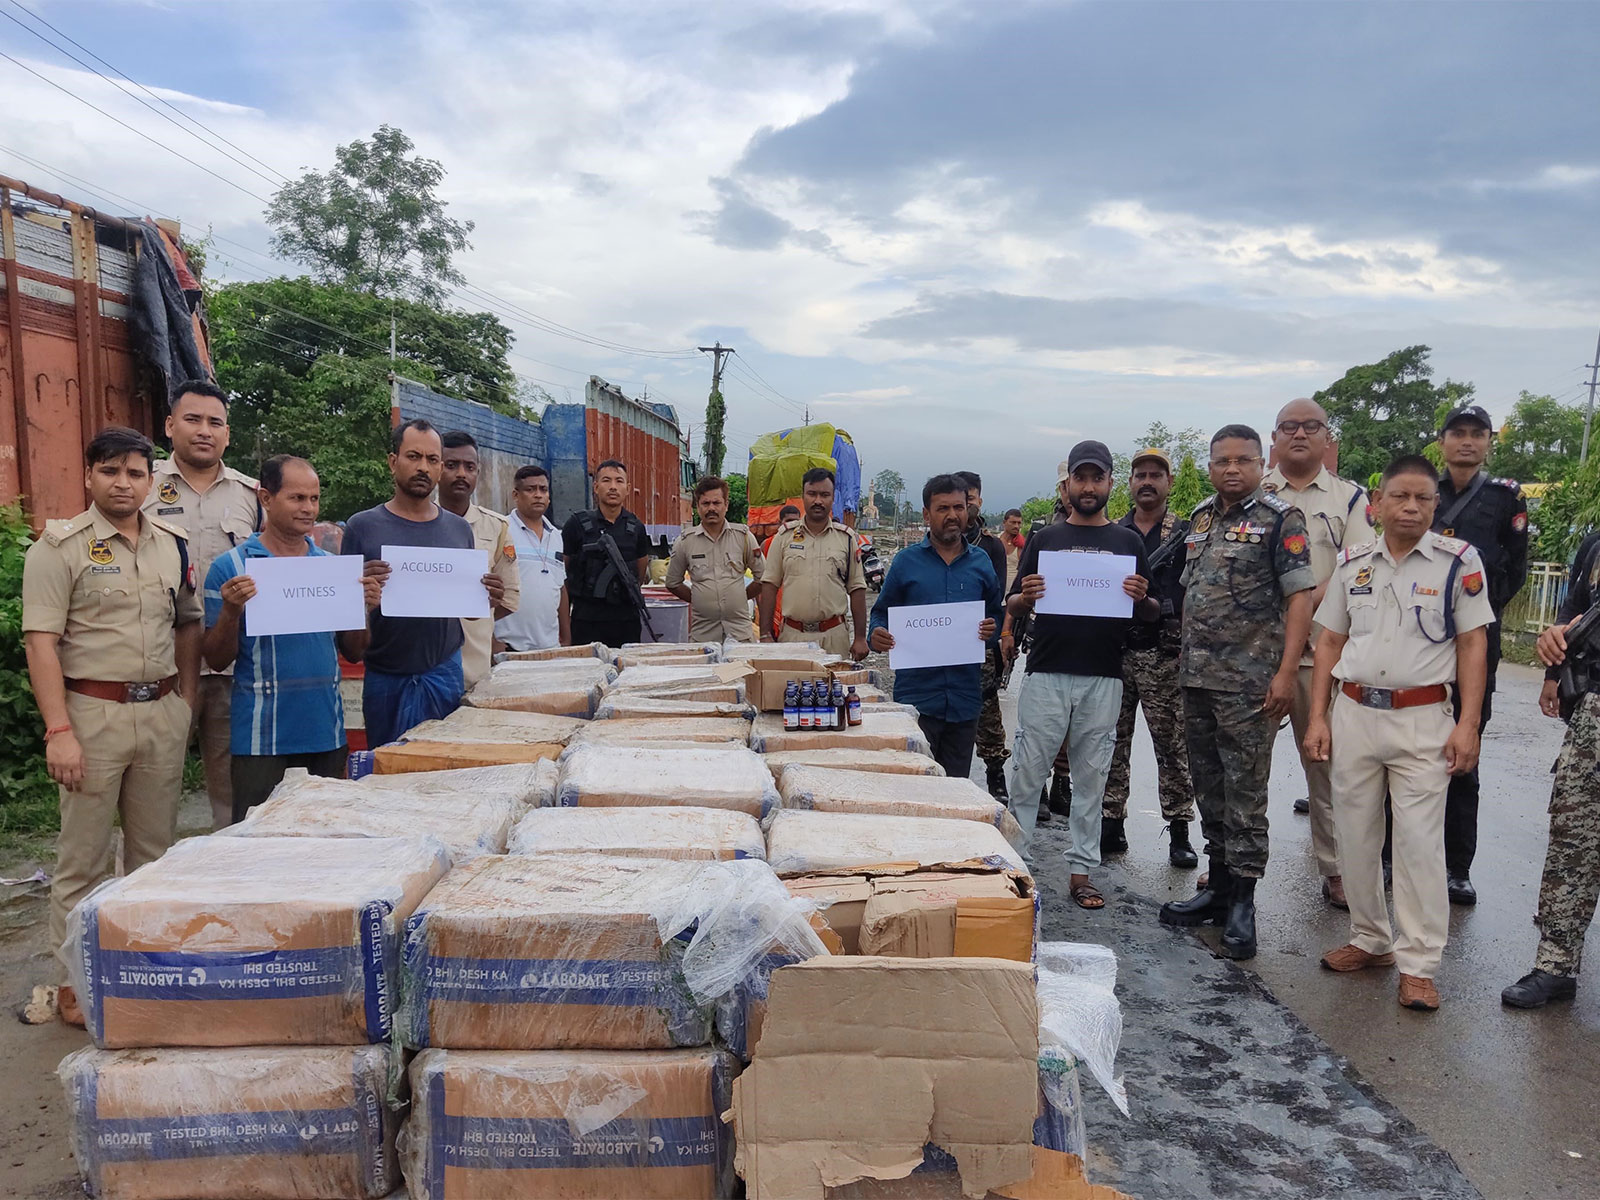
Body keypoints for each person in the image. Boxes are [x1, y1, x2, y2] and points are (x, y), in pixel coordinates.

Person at [22, 426, 202, 1027]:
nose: (123, 483)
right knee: (85, 859)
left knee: (155, 856)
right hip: (90, 716)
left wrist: (186, 701)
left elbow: (188, 623)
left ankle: (142, 968)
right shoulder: (59, 548)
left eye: (134, 473)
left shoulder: (172, 545)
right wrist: (59, 731)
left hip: (161, 712)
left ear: (151, 480)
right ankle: (74, 981)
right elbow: (41, 644)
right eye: (110, 471)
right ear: (89, 476)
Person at [1304, 455, 1491, 1012]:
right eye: (1400, 497)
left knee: (1418, 844)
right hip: (1355, 713)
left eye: (1423, 499)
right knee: (1355, 834)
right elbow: (1330, 640)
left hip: (1423, 718)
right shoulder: (1353, 563)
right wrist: (1318, 716)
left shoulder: (1458, 562)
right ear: (1378, 503)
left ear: (1435, 504)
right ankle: (1371, 939)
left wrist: (1468, 725)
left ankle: (1419, 964)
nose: (1411, 507)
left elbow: (1473, 644)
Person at [1159, 424, 1314, 960]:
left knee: (1246, 794)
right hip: (1197, 679)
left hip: (1250, 684)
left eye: (1242, 460)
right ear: (1210, 466)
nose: (1231, 469)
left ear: (1260, 463)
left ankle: (1244, 902)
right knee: (1209, 787)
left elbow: (1300, 598)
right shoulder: (1201, 518)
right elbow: (1192, 593)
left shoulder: (1280, 520)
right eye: (1221, 460)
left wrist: (1287, 672)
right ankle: (1219, 888)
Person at [1006, 441, 1156, 908]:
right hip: (1047, 671)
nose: (1088, 487)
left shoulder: (1128, 543)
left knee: (1092, 779)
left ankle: (1081, 872)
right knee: (1028, 773)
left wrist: (1141, 597)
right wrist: (1026, 597)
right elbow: (1013, 603)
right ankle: (1015, 868)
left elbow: (1151, 613)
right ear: (1067, 484)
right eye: (1080, 478)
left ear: (1110, 483)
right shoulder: (1045, 540)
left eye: (1097, 478)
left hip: (1103, 676)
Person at [203, 456, 386, 819]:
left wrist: (363, 608)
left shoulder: (331, 569)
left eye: (314, 499)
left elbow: (354, 652)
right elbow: (216, 660)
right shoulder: (231, 568)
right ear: (266, 498)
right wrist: (231, 612)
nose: (308, 508)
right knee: (259, 837)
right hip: (261, 739)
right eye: (297, 498)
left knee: (322, 836)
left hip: (325, 732)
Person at [1263, 398, 1375, 909]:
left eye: (1312, 426)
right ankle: (1232, 867)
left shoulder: (1349, 500)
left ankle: (1336, 869)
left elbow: (1359, 566)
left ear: (1327, 437)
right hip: (1258, 655)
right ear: (1275, 438)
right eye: (1289, 426)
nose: (1300, 434)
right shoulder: (1256, 494)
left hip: (1321, 656)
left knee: (1326, 767)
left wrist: (1303, 604)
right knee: (1246, 768)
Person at [339, 420, 503, 747]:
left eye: (432, 459)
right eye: (413, 457)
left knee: (445, 767)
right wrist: (361, 600)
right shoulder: (362, 527)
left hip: (444, 673)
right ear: (392, 461)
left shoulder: (458, 530)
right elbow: (350, 641)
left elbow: (468, 612)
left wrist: (486, 597)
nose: (423, 468)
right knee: (387, 768)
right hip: (386, 678)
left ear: (440, 467)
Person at [143, 379, 260, 829]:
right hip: (161, 664)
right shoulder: (143, 484)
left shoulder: (251, 496)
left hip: (230, 666)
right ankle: (142, 869)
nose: (204, 431)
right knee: (152, 790)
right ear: (170, 425)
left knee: (232, 794)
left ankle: (226, 868)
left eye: (215, 422)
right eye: (192, 419)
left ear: (228, 433)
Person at [1431, 403, 1529, 907]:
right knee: (1401, 744)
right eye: (1458, 433)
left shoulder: (1504, 497)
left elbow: (1516, 570)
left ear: (1489, 441)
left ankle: (1456, 867)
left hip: (1477, 640)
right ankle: (1390, 855)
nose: (1467, 441)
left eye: (1477, 433)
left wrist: (1476, 616)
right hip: (1421, 637)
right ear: (1442, 441)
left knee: (1464, 748)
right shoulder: (1424, 491)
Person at [1501, 534, 1600, 1009]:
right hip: (1593, 715)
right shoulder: (1596, 545)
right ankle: (1555, 966)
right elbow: (1573, 610)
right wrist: (1553, 654)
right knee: (1573, 842)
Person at [868, 475, 1003, 779]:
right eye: (943, 508)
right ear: (927, 515)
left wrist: (990, 631)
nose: (952, 515)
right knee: (914, 786)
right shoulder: (905, 562)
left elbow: (995, 616)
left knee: (954, 788)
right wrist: (877, 635)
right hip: (917, 701)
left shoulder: (981, 563)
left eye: (959, 507)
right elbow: (881, 614)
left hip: (964, 701)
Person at [1102, 448, 1198, 867]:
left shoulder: (1187, 533)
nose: (1147, 481)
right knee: (1111, 742)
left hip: (1165, 654)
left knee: (1172, 746)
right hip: (1117, 651)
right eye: (1140, 474)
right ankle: (1110, 823)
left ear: (1169, 482)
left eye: (1155, 475)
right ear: (1129, 483)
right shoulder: (1113, 533)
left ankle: (1179, 830)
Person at [437, 432, 520, 690]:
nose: (461, 474)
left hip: (474, 672)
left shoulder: (496, 527)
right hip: (426, 671)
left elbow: (508, 598)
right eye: (452, 465)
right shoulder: (414, 524)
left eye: (469, 467)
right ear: (437, 467)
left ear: (478, 472)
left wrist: (483, 610)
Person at [759, 468, 869, 660]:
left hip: (834, 637)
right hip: (793, 636)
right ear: (803, 496)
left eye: (825, 495)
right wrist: (765, 634)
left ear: (833, 498)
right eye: (812, 494)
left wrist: (860, 637)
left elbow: (857, 588)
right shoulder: (784, 537)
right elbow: (769, 585)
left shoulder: (847, 538)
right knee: (794, 680)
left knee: (835, 680)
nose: (818, 500)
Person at [956, 471, 1011, 798]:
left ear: (979, 501)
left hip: (979, 644)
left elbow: (997, 598)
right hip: (942, 645)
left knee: (987, 710)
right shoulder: (932, 546)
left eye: (971, 498)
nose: (966, 505)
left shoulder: (991, 546)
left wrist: (998, 635)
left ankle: (995, 773)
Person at [561, 459, 651, 647]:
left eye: (619, 481)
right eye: (606, 480)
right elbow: (563, 573)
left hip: (626, 620)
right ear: (596, 487)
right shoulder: (577, 524)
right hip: (586, 620)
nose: (613, 487)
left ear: (627, 488)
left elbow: (640, 573)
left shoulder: (636, 527)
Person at [667, 475, 765, 642]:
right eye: (705, 503)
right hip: (703, 635)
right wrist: (698, 598)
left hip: (740, 633)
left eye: (716, 503)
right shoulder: (685, 542)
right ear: (697, 506)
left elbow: (763, 578)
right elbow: (672, 583)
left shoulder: (743, 537)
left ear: (726, 505)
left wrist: (740, 597)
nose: (711, 508)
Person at [495, 465, 570, 652]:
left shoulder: (556, 536)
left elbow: (560, 587)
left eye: (543, 489)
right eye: (530, 489)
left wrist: (566, 637)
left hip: (550, 647)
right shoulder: (501, 530)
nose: (538, 495)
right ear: (516, 495)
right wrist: (492, 641)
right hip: (510, 647)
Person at [762, 504, 801, 640]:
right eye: (788, 521)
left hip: (794, 601)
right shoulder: (768, 544)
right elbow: (762, 578)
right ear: (780, 523)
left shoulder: (804, 544)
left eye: (796, 521)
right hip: (773, 598)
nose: (792, 525)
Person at [1002, 508, 1025, 591]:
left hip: (1014, 591)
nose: (1016, 526)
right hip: (997, 590)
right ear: (1004, 522)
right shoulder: (995, 541)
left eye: (1019, 523)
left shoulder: (1022, 545)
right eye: (1013, 522)